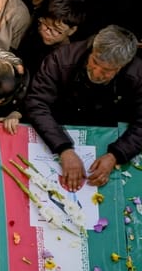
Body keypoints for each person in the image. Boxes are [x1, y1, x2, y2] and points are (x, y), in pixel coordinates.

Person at [26, 25, 142, 191]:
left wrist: (116, 155)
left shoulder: (137, 74)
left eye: (107, 71)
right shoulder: (62, 58)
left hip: (109, 134)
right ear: (93, 49)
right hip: (59, 126)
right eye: (95, 62)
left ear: (122, 66)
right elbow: (37, 103)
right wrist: (64, 149)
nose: (96, 73)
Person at [19, 0, 86, 76]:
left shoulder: (65, 59)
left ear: (72, 30)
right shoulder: (32, 30)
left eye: (57, 31)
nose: (47, 32)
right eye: (46, 25)